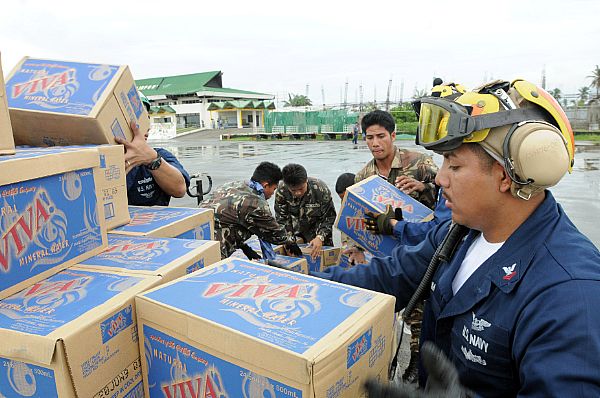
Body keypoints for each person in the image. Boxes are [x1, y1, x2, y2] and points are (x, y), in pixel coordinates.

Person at [314, 79, 600, 397]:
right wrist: (303, 281)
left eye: (454, 164)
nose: (440, 178)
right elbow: (387, 274)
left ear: (505, 175)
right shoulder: (461, 233)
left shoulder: (570, 292)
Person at [200, 161, 302, 259]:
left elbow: (229, 219)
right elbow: (276, 234)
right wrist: (291, 242)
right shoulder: (255, 203)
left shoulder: (233, 185)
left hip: (196, 236)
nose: (272, 194)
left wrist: (244, 246)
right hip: (213, 248)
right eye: (274, 189)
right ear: (266, 185)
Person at [355, 109, 439, 209]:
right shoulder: (363, 178)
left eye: (381, 136)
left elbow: (449, 193)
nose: (375, 143)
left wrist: (423, 187)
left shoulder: (420, 162)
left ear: (393, 136)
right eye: (370, 138)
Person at [116, 94, 190, 206]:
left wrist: (152, 160)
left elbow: (179, 189)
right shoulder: (100, 159)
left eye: (147, 119)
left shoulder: (160, 155)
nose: (147, 127)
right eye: (139, 120)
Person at [274, 164, 336, 259]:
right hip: (297, 233)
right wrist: (289, 241)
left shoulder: (320, 189)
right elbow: (282, 219)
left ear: (306, 180)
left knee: (325, 262)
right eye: (293, 190)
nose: (298, 193)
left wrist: (320, 237)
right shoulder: (282, 191)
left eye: (301, 188)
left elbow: (329, 216)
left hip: (320, 234)